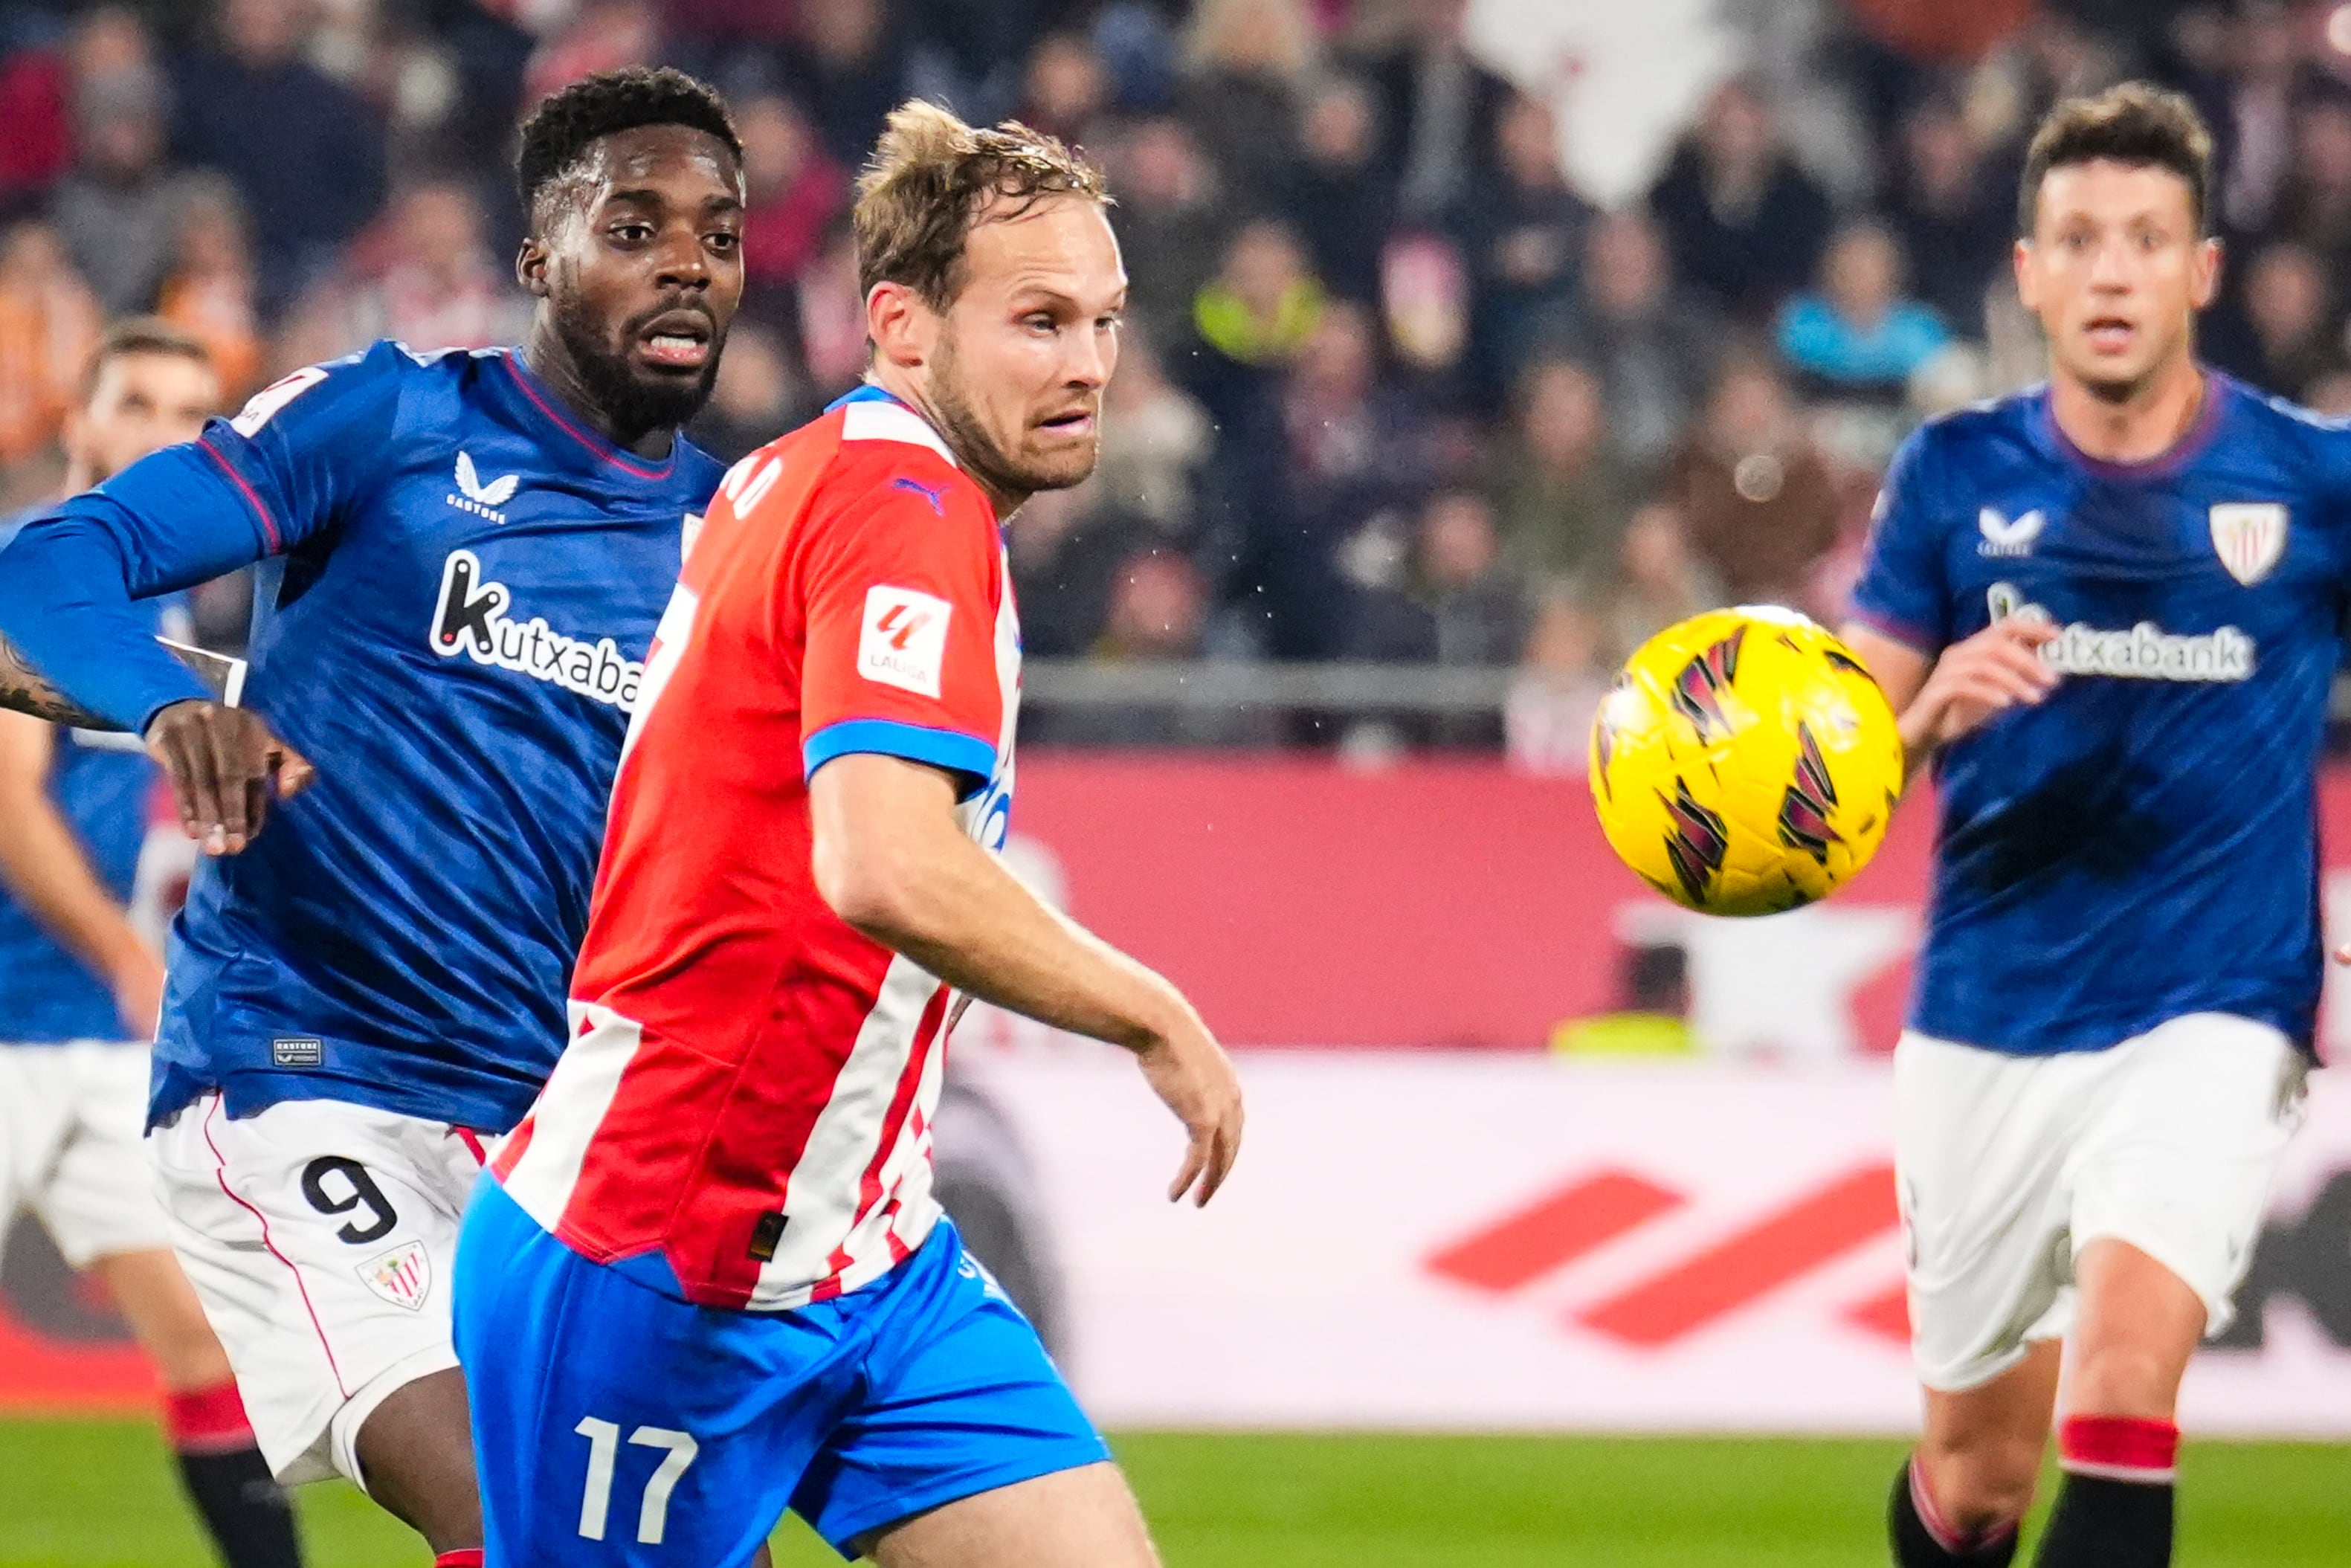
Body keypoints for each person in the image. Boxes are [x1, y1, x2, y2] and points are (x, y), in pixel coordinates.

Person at [454, 99, 1245, 1567]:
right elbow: (883, 858)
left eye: (1103, 321)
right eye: (1037, 321)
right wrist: (1150, 1007)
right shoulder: (904, 505)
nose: (1085, 363)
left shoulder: (804, 473)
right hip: (662, 1259)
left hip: (867, 1254)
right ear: (901, 321)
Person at [0, 66, 744, 1568]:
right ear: (541, 255)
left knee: (673, 1546)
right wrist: (173, 703)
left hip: (553, 1135)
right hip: (304, 1079)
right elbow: (51, 567)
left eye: (720, 235)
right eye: (637, 223)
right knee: (510, 1506)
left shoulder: (737, 546)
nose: (687, 261)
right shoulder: (392, 421)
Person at [1842, 85, 2321, 1568]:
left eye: (2147, 237)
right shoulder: (1952, 475)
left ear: (2202, 273)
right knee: (1977, 1477)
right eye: (2080, 239)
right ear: (2031, 272)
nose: (2113, 269)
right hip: (1993, 1010)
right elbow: (1830, 786)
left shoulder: (2314, 482)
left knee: (2124, 1387)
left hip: (2216, 1002)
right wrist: (1924, 722)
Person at [0, 319, 303, 1568]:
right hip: (12, 1029)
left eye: (193, 414)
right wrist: (132, 958)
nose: (163, 434)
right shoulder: (29, 569)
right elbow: (10, 803)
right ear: (82, 422)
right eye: (138, 403)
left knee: (201, 1348)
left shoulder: (161, 599)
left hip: (88, 1035)